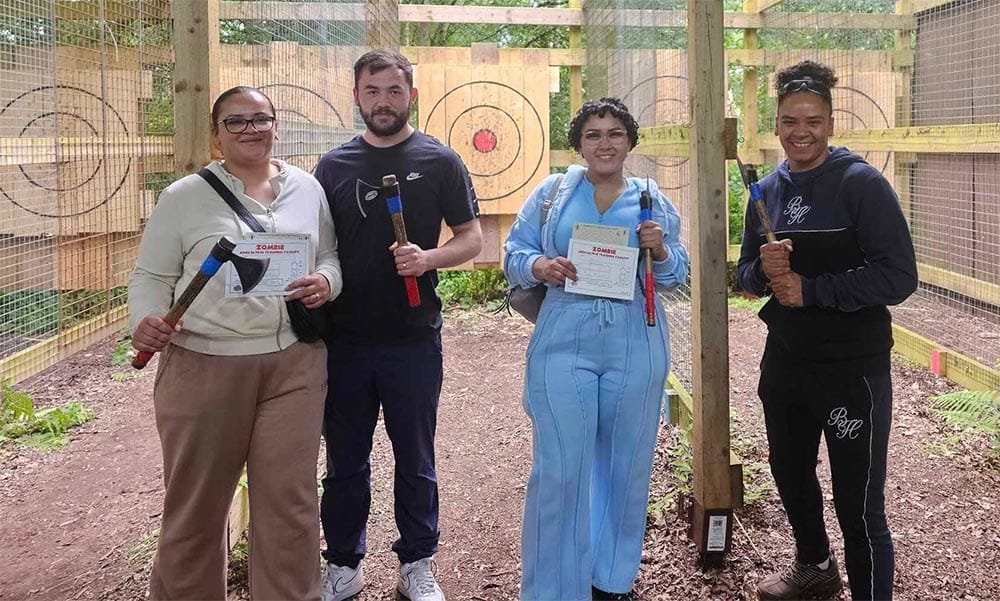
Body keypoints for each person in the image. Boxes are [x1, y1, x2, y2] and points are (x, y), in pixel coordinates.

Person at [128, 86, 342, 600]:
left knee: (290, 506)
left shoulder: (307, 189)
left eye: (261, 119)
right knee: (196, 505)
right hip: (203, 364)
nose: (251, 129)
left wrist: (326, 283)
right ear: (216, 134)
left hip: (294, 364)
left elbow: (330, 256)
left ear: (277, 125)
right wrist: (147, 318)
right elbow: (151, 276)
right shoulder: (184, 197)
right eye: (236, 121)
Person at [737, 61, 918, 601]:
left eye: (812, 121)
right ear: (776, 125)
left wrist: (812, 290)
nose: (801, 132)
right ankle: (814, 566)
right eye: (790, 121)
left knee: (858, 502)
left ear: (831, 123)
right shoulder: (765, 191)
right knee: (790, 473)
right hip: (787, 362)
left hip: (850, 368)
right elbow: (745, 274)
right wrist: (762, 273)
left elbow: (898, 276)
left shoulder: (862, 185)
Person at [312, 49, 483, 601]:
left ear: (411, 95)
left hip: (412, 337)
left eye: (393, 90)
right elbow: (320, 247)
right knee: (344, 458)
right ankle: (343, 561)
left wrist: (429, 259)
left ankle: (417, 562)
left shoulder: (440, 160)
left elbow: (472, 237)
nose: (383, 101)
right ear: (356, 96)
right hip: (343, 340)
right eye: (372, 91)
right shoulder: (332, 167)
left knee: (415, 454)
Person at [503, 97, 689, 601]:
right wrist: (541, 267)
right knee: (561, 465)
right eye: (593, 134)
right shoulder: (553, 194)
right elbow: (514, 254)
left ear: (629, 141)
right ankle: (553, 588)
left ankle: (611, 577)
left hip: (635, 331)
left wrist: (661, 249)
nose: (604, 143)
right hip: (565, 330)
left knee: (626, 463)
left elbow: (676, 277)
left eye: (614, 133)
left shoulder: (651, 199)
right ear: (578, 143)